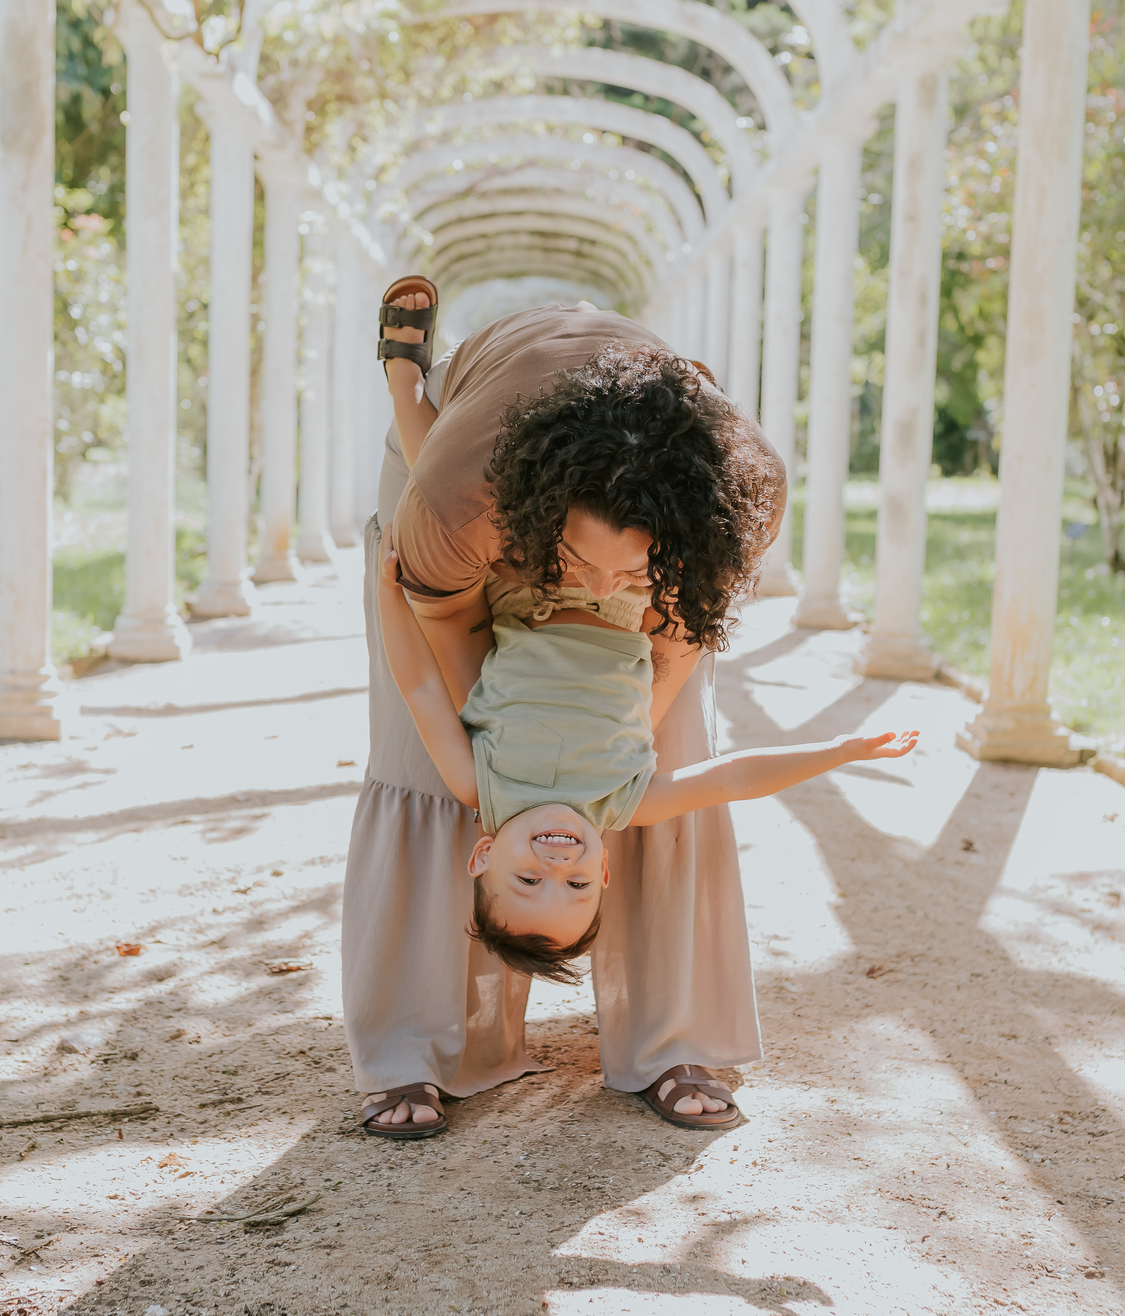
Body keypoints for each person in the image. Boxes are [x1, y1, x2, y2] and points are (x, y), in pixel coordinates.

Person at [342, 280, 787, 1141]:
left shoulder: (738, 497)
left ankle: (674, 1041)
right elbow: (444, 640)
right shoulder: (455, 510)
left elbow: (684, 643)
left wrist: (624, 727)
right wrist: (511, 738)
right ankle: (414, 1050)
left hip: (657, 464)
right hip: (472, 481)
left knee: (673, 747)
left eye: (627, 567)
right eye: (582, 563)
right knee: (423, 756)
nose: (597, 583)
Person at [377, 521, 919, 978]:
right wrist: (838, 750)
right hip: (626, 600)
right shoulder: (624, 801)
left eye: (528, 880)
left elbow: (422, 689)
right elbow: (734, 780)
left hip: (525, 589)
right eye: (578, 884)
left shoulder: (478, 782)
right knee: (654, 520)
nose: (558, 864)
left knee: (504, 495)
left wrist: (387, 595)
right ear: (604, 871)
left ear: (484, 856)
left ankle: (405, 392)